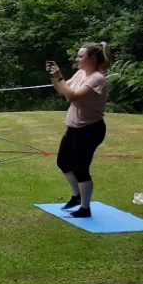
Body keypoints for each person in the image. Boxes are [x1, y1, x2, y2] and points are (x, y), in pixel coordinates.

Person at [47, 42, 112, 218]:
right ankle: (76, 197)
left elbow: (74, 95)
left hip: (90, 130)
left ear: (92, 59)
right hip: (73, 128)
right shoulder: (81, 73)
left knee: (80, 168)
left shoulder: (97, 78)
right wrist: (55, 77)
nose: (77, 59)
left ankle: (85, 208)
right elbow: (63, 90)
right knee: (63, 162)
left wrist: (60, 78)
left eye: (80, 56)